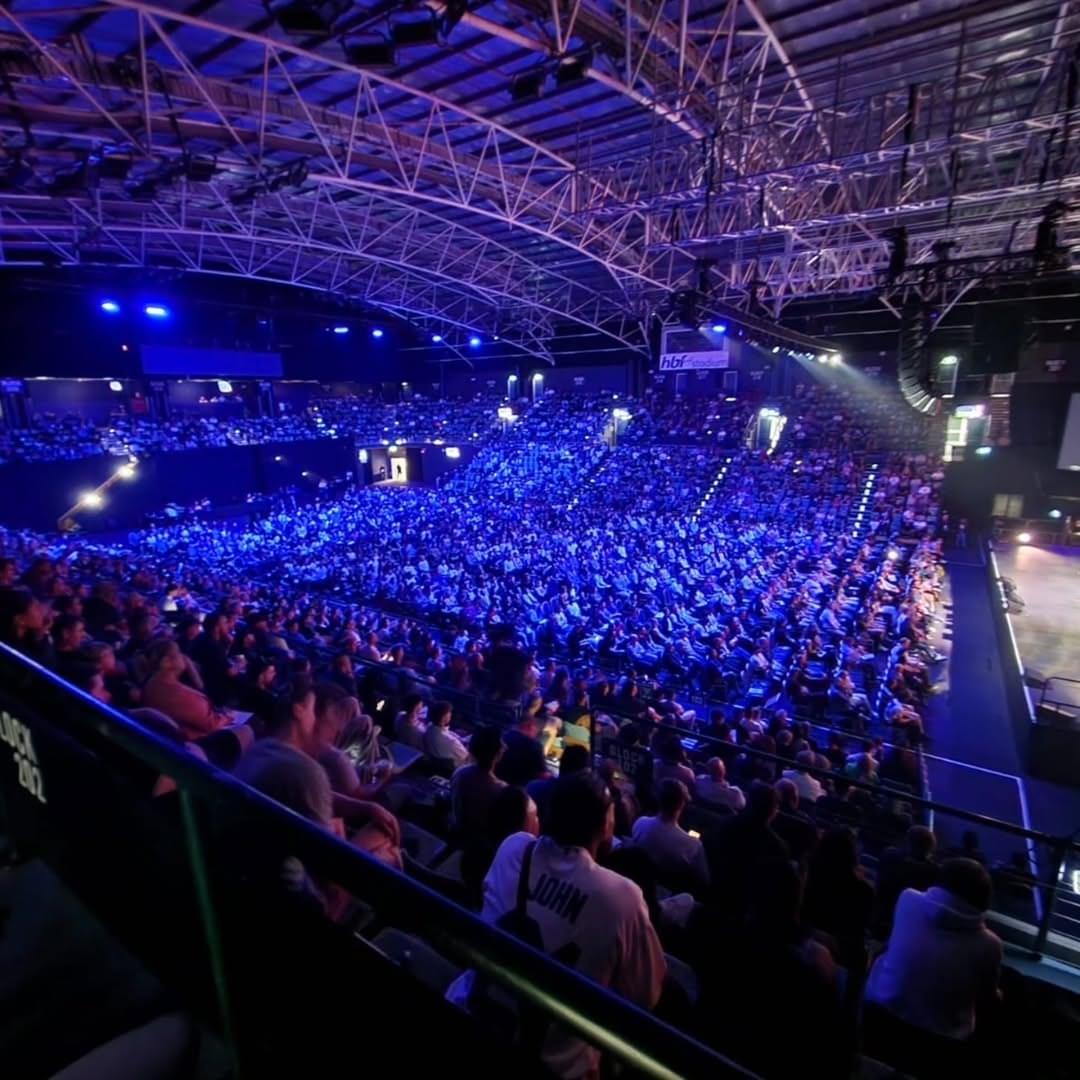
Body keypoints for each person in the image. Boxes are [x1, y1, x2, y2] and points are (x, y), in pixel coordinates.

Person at [453, 771, 666, 1078]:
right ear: (606, 823)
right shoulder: (623, 897)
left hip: (467, 1011)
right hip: (556, 1067)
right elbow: (646, 995)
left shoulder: (514, 847)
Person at [865, 859, 1002, 1052]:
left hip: (879, 1013)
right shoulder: (991, 945)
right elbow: (988, 998)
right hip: (941, 1040)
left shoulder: (907, 899)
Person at [703, 782, 789, 919]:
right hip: (745, 911)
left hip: (712, 893)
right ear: (773, 810)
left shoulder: (723, 824)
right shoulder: (777, 847)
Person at [804, 825, 875, 975]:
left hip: (806, 941)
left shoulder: (807, 871)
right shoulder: (863, 890)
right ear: (853, 854)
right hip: (840, 957)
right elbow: (858, 933)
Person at [630, 778, 709, 891]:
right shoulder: (693, 846)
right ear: (682, 803)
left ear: (658, 798)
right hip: (671, 893)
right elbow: (704, 881)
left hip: (638, 884)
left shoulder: (640, 823)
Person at [876, 825, 939, 934]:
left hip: (881, 917)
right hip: (910, 926)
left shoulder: (889, 856)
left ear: (908, 842)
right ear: (930, 849)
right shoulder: (934, 871)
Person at [450, 724, 506, 838]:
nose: (505, 747)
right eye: (502, 744)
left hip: (456, 831)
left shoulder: (460, 773)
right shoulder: (500, 789)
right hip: (477, 841)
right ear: (497, 753)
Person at [496, 714, 549, 786]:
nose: (536, 734)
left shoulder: (501, 736)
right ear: (530, 726)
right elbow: (543, 775)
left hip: (493, 784)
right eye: (537, 730)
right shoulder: (533, 745)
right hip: (515, 789)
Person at [422, 700, 469, 768]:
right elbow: (467, 757)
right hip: (459, 767)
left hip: (438, 765)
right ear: (444, 717)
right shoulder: (452, 742)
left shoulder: (428, 729)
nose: (451, 714)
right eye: (449, 712)